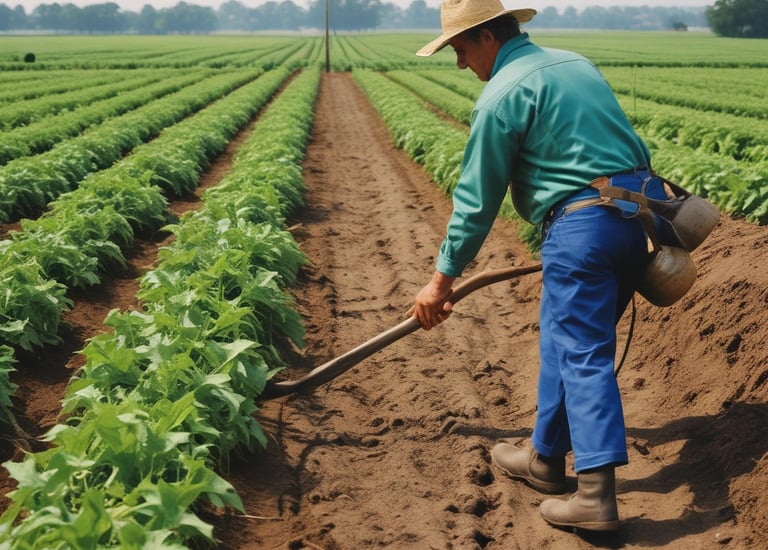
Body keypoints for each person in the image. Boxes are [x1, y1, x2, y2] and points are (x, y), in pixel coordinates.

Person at [411, 0, 671, 532]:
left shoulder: (500, 96)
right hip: (636, 215)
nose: (461, 64)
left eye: (460, 50)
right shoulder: (576, 63)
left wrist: (441, 280)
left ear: (487, 37)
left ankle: (596, 495)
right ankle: (545, 459)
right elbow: (631, 146)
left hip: (582, 228)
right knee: (563, 338)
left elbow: (477, 201)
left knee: (581, 352)